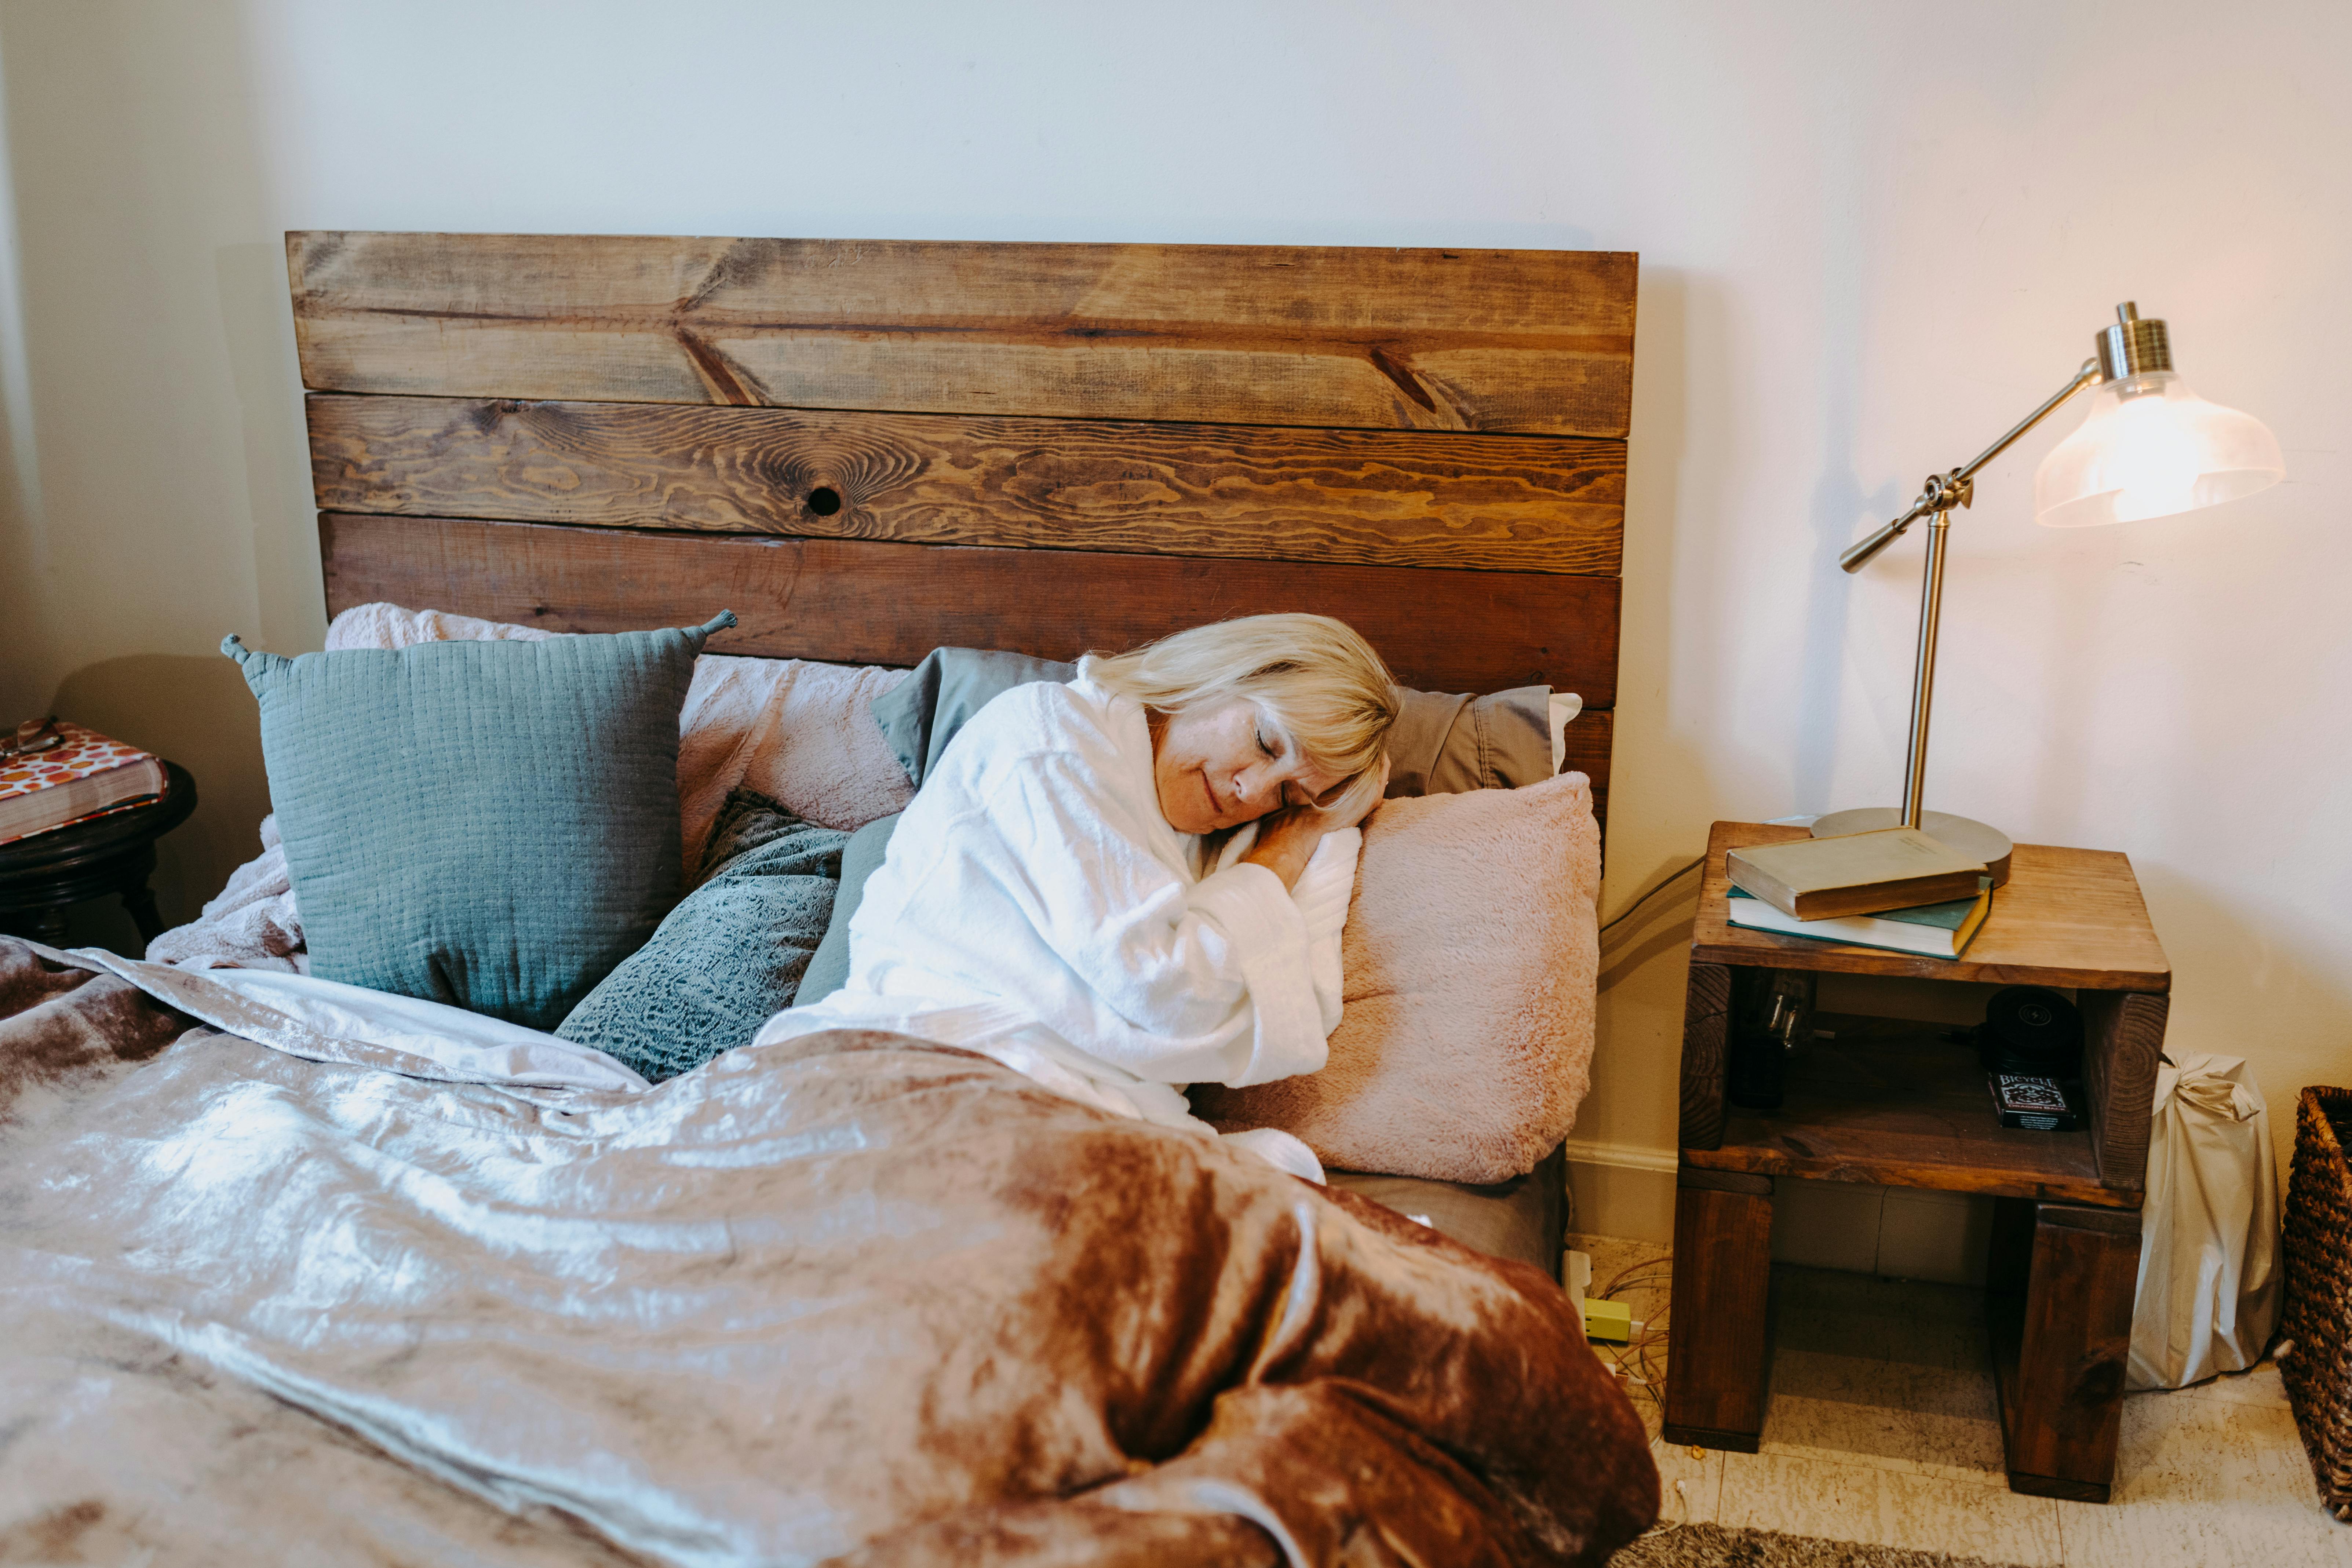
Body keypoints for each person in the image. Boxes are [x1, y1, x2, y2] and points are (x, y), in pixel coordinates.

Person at [752, 614, 1398, 1181]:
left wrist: (1320, 823)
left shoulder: (1214, 842)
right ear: (1220, 673)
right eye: (1264, 743)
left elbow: (1300, 1014)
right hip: (924, 1067)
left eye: (1287, 797)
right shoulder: (1048, 738)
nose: (1250, 793)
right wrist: (1282, 852)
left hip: (1086, 1121)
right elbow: (1164, 989)